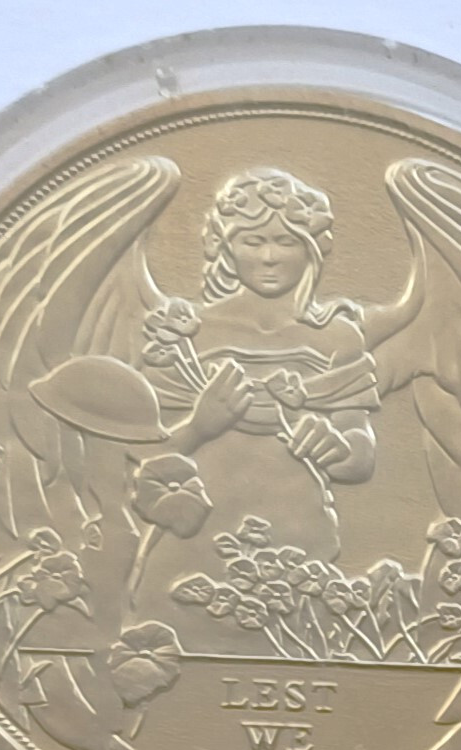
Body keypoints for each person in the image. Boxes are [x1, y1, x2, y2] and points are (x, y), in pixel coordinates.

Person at [132, 168, 380, 655]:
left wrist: (335, 447)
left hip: (298, 537)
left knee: (292, 651)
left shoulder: (337, 338)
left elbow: (362, 457)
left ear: (312, 248)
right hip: (193, 532)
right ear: (225, 246)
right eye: (253, 240)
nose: (269, 256)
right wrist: (200, 427)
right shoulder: (186, 335)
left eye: (286, 241)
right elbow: (139, 458)